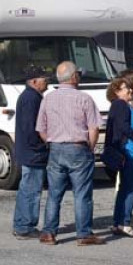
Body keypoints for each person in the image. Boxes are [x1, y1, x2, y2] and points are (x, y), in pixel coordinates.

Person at [36, 61, 105, 246]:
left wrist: (51, 141)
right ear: (74, 77)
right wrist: (90, 147)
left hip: (55, 148)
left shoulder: (48, 98)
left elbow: (41, 128)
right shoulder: (84, 98)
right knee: (82, 194)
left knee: (54, 193)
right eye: (78, 74)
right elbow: (94, 128)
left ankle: (49, 233)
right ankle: (83, 234)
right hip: (78, 147)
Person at [106, 77, 133, 238]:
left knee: (125, 187)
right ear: (117, 92)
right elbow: (124, 127)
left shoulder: (118, 105)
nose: (129, 91)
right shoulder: (121, 104)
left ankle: (119, 222)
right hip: (129, 150)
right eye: (126, 89)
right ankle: (124, 222)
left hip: (125, 149)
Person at [11, 66, 49, 240]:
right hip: (32, 152)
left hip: (28, 151)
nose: (46, 81)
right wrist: (41, 145)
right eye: (43, 78)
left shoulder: (30, 97)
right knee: (31, 191)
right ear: (34, 81)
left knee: (27, 189)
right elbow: (30, 127)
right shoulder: (31, 98)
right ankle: (25, 227)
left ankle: (21, 224)